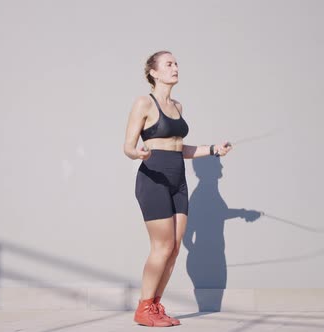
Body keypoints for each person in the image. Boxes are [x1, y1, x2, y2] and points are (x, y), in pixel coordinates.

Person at [123, 50, 233, 327]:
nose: (175, 68)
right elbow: (127, 145)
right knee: (161, 246)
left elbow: (178, 147)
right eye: (169, 64)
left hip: (178, 181)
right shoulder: (143, 103)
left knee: (173, 248)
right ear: (154, 72)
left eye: (176, 63)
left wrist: (212, 150)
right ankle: (144, 307)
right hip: (154, 178)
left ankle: (155, 305)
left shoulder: (178, 107)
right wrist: (137, 154)